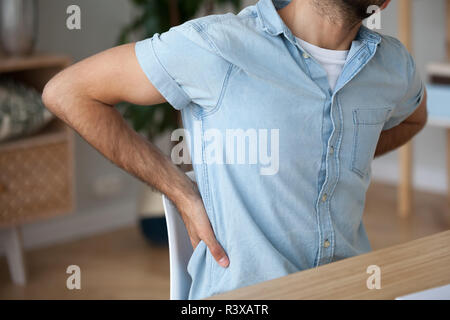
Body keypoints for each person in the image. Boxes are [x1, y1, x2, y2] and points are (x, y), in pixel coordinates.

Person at [42, 0, 428, 299]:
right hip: (247, 296)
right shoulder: (217, 45)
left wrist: (342, 153)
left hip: (352, 285)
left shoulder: (393, 66)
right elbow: (68, 92)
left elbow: (414, 117)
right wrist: (180, 191)